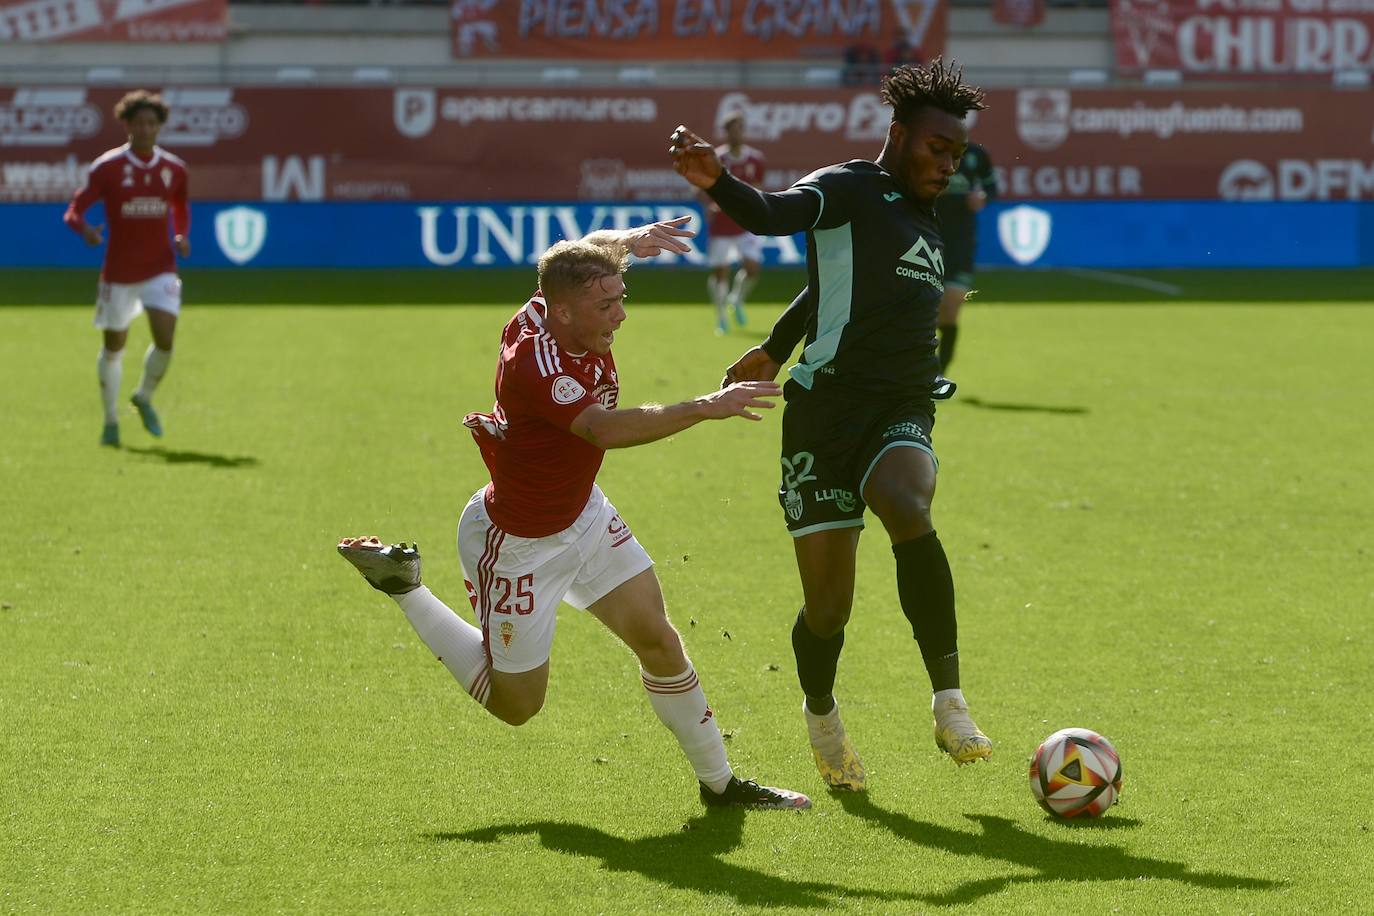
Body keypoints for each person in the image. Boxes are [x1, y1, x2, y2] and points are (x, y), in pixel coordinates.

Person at [338, 217, 810, 811]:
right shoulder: (539, 366)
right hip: (519, 544)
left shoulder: (552, 301)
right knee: (517, 707)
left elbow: (564, 265)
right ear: (561, 313)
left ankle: (722, 786)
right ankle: (404, 587)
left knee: (659, 642)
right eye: (606, 304)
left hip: (583, 516)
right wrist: (707, 406)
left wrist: (626, 242)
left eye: (621, 298)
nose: (620, 315)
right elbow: (603, 430)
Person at [669, 58, 994, 793]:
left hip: (903, 404)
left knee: (908, 503)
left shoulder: (926, 214)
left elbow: (844, 287)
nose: (948, 165)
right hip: (823, 414)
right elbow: (776, 219)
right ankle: (823, 717)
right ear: (899, 133)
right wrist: (717, 183)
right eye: (937, 149)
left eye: (956, 155)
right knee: (828, 608)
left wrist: (775, 343)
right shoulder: (848, 186)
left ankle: (950, 703)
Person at [64, 90, 190, 448]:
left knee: (166, 340)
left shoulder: (174, 169)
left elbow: (180, 206)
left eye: (151, 123)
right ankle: (110, 420)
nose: (145, 129)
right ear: (127, 126)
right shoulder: (107, 168)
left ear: (159, 127)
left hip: (161, 267)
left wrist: (181, 234)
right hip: (119, 272)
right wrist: (84, 229)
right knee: (114, 347)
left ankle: (144, 396)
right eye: (138, 123)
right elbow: (75, 209)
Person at [933, 140, 997, 372]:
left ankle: (940, 372)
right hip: (928, 237)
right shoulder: (929, 150)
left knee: (951, 307)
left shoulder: (977, 155)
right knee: (926, 310)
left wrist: (982, 197)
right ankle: (920, 370)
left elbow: (992, 188)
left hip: (961, 242)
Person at [701, 111, 765, 335]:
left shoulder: (755, 159)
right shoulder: (717, 159)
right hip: (722, 225)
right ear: (726, 132)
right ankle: (721, 318)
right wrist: (708, 205)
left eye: (740, 129)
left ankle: (736, 299)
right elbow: (701, 186)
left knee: (753, 268)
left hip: (745, 223)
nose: (737, 133)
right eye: (733, 129)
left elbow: (757, 188)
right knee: (720, 272)